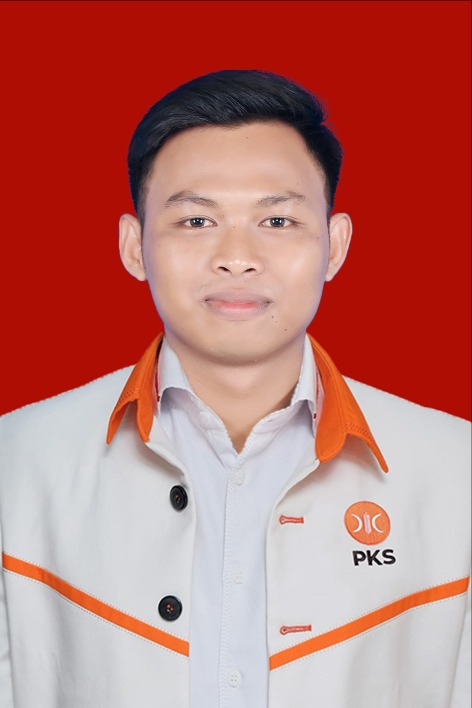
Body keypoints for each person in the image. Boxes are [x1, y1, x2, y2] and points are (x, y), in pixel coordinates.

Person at [0, 69, 469, 708]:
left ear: (335, 246)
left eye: (277, 219)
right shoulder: (17, 460)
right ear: (135, 247)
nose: (238, 257)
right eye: (197, 220)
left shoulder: (455, 470)